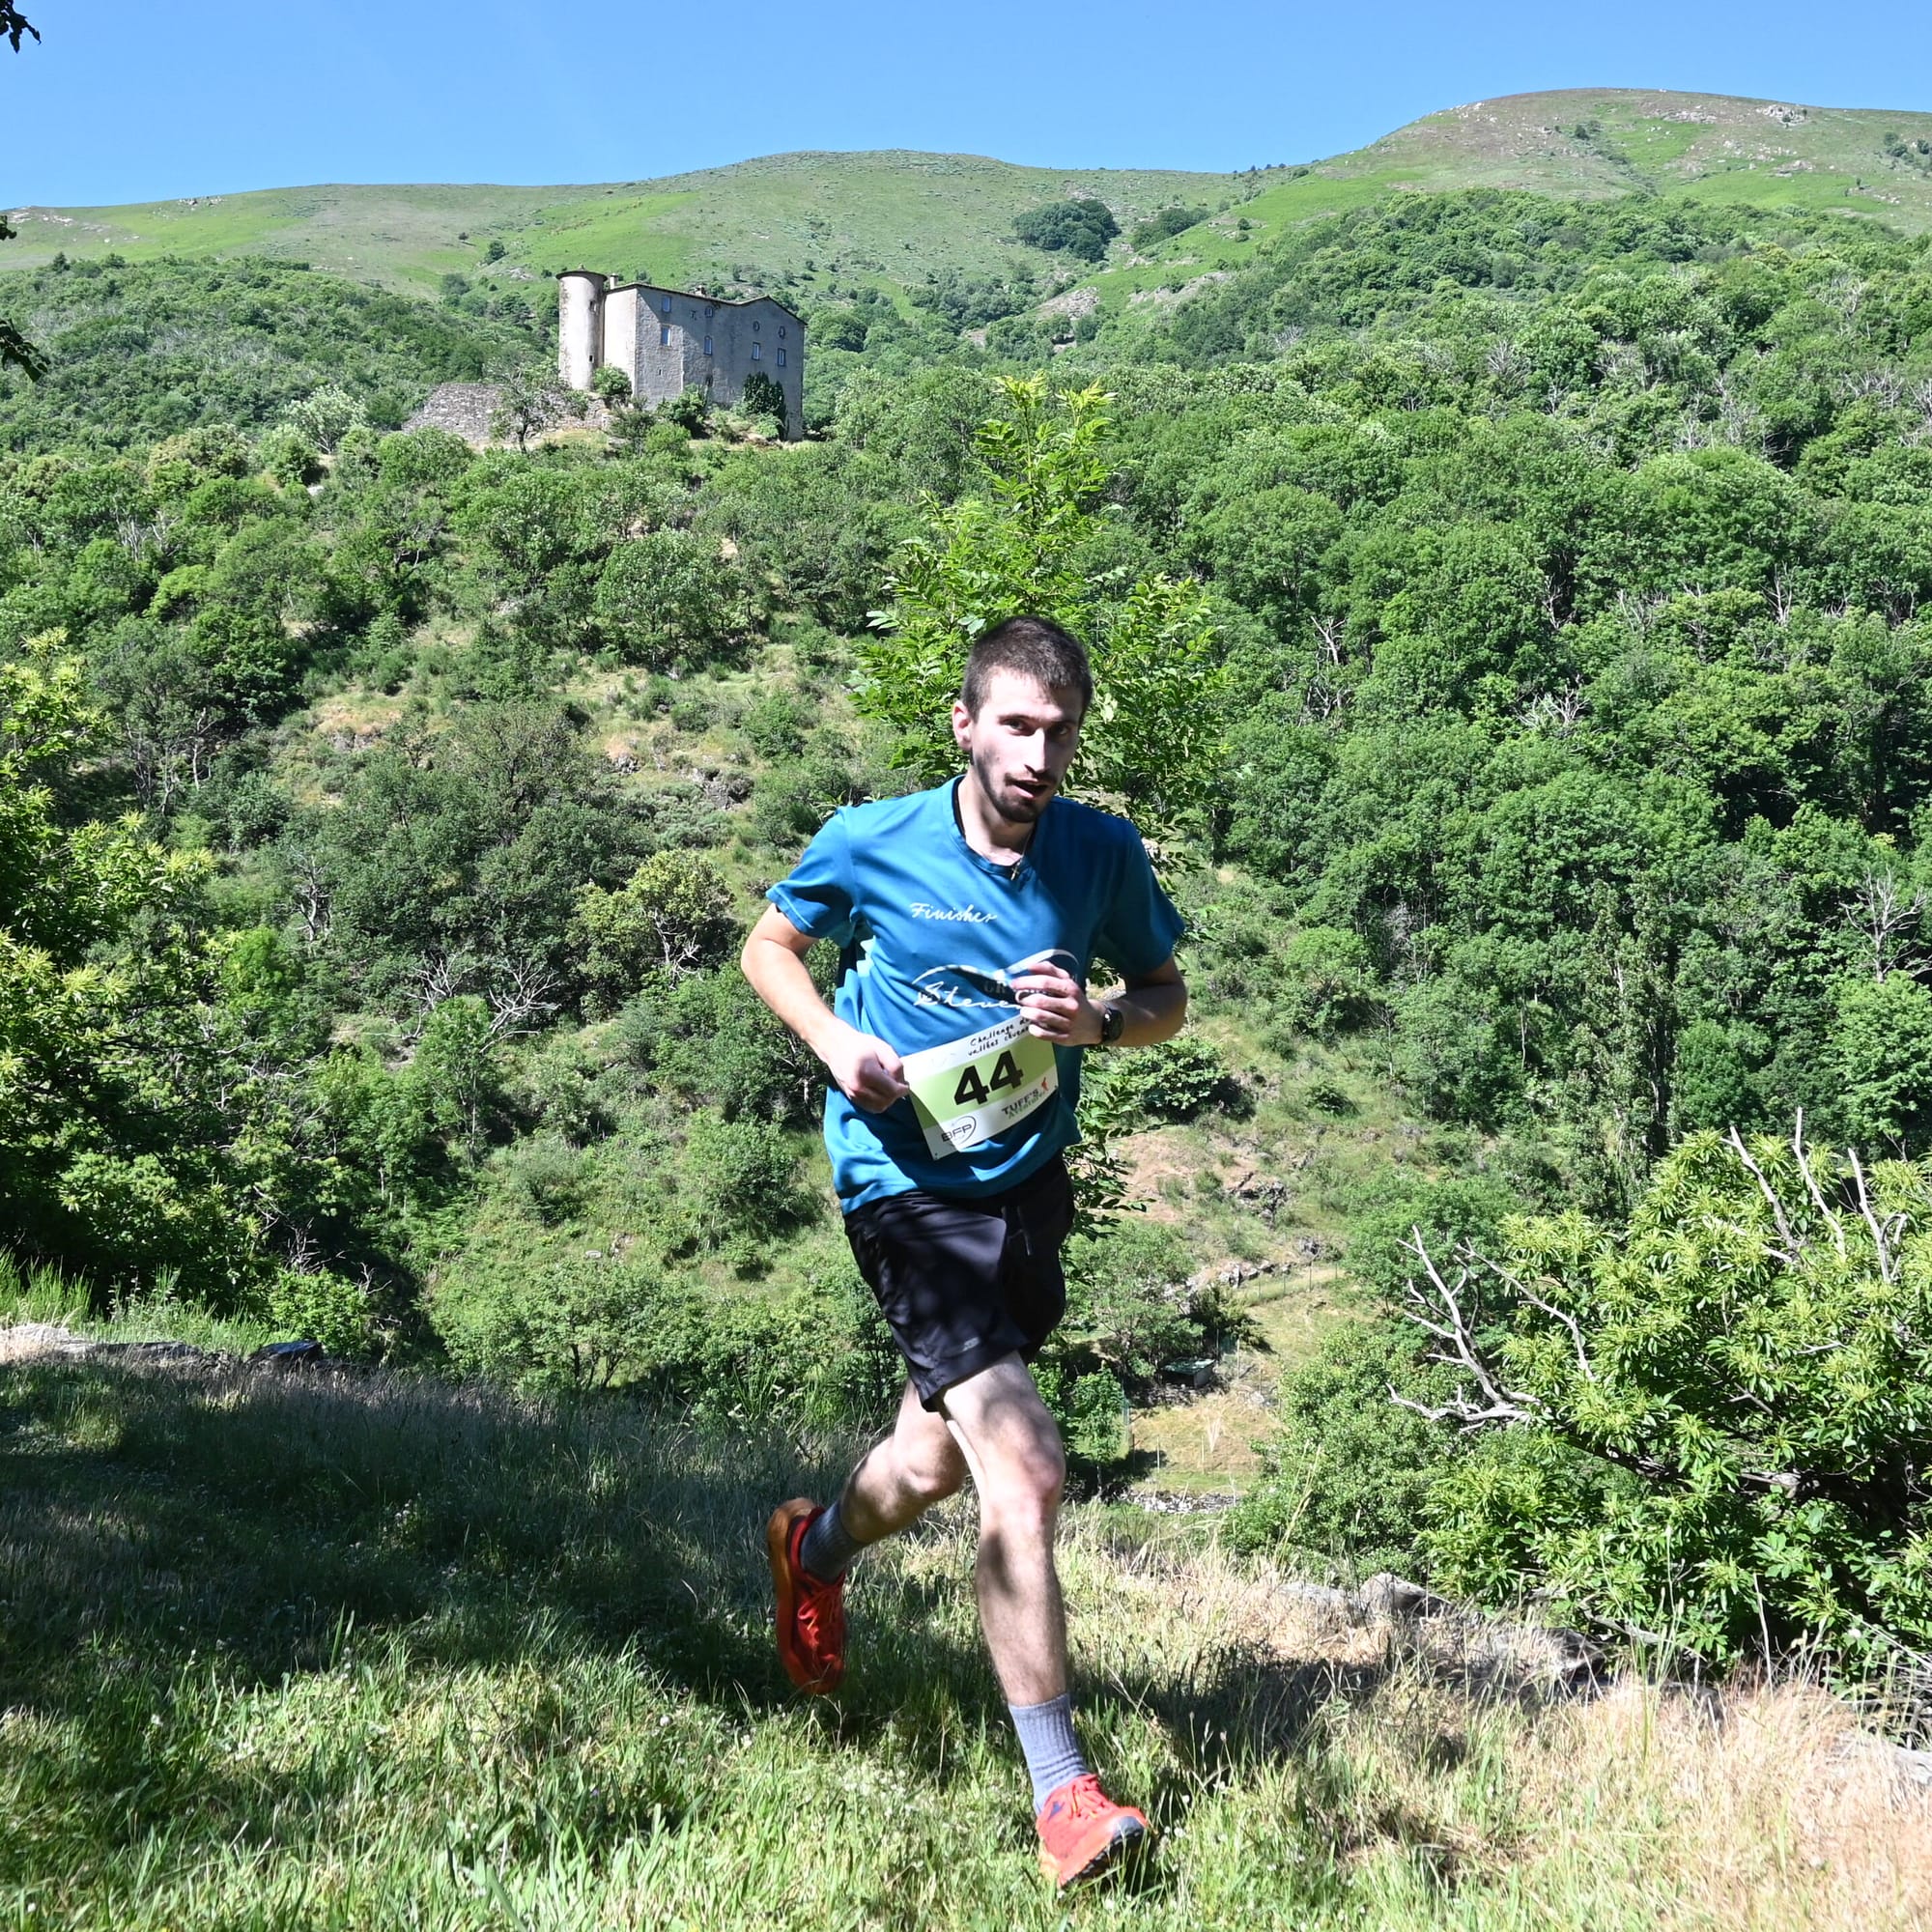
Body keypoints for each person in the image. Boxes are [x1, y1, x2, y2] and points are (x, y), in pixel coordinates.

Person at [739, 614, 1188, 1889]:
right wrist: (837, 1048)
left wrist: (1097, 1020)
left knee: (934, 1458)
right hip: (901, 1189)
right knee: (1026, 1466)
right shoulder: (874, 839)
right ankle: (1065, 1796)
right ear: (966, 723)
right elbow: (769, 948)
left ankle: (809, 1549)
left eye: (1060, 731)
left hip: (1026, 1191)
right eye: (1016, 725)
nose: (1039, 753)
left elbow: (1165, 996)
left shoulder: (1098, 854)